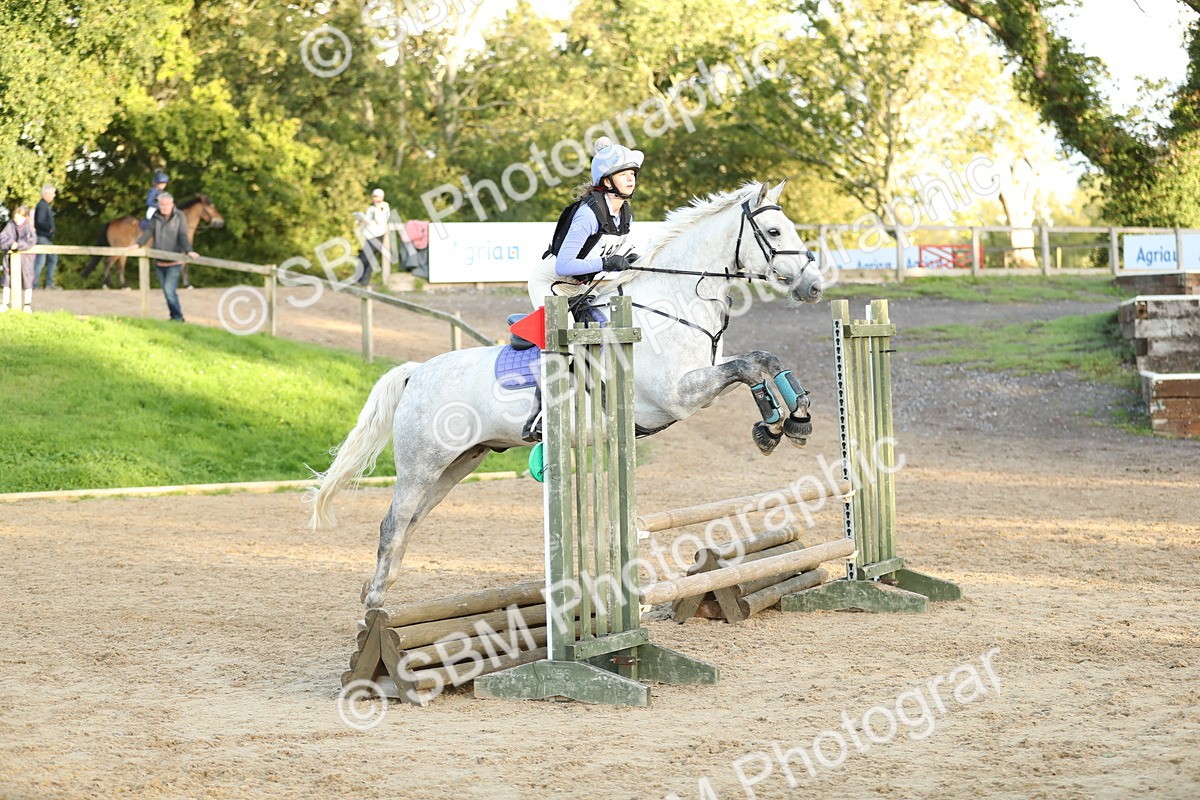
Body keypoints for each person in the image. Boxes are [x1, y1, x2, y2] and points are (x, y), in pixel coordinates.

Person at [526, 136, 643, 311]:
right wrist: (606, 264)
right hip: (549, 283)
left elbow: (597, 254)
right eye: (623, 174)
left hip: (577, 285)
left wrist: (624, 261)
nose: (630, 179)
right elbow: (563, 266)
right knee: (572, 336)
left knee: (608, 324)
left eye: (632, 173)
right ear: (606, 181)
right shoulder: (588, 215)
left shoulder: (626, 215)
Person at [131, 192, 198, 322]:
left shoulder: (180, 216)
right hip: (159, 262)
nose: (164, 207)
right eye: (162, 205)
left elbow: (183, 236)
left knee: (169, 291)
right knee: (167, 293)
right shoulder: (155, 217)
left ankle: (178, 317)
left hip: (174, 262)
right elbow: (148, 233)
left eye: (167, 205)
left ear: (172, 204)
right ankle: (174, 317)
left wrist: (189, 250)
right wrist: (137, 244)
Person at [1, 205, 37, 313]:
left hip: (26, 258)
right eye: (15, 218)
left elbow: (31, 241)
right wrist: (11, 244)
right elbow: (2, 238)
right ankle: (5, 303)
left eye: (19, 218)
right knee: (7, 279)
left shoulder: (29, 227)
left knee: (27, 279)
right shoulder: (10, 225)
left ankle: (27, 304)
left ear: (25, 217)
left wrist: (18, 245)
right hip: (9, 257)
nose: (17, 221)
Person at [353, 188, 391, 286]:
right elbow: (368, 221)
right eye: (373, 196)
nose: (375, 199)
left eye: (377, 197)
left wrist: (378, 208)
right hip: (368, 235)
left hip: (378, 236)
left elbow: (380, 220)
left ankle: (359, 279)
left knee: (365, 257)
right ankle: (363, 282)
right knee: (368, 258)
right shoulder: (370, 209)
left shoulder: (384, 207)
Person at [33, 185, 59, 290]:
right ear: (46, 194)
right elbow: (40, 221)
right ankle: (42, 284)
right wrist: (49, 228)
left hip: (43, 237)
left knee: (46, 259)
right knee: (43, 261)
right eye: (53, 193)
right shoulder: (43, 205)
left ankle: (39, 284)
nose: (54, 195)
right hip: (42, 237)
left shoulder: (44, 205)